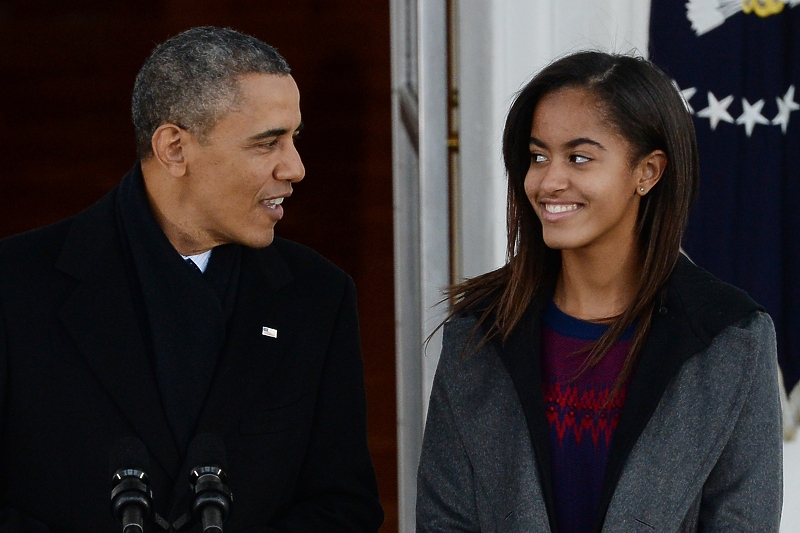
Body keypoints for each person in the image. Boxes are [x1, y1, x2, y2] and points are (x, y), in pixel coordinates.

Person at [0, 26, 383, 531]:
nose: (296, 168)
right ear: (174, 149)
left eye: (295, 138)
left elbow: (343, 505)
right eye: (268, 142)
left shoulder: (317, 295)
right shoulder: (15, 287)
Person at [416, 51, 783, 532]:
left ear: (647, 172)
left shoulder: (731, 338)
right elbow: (445, 522)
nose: (549, 181)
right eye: (538, 156)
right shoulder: (477, 332)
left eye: (580, 157)